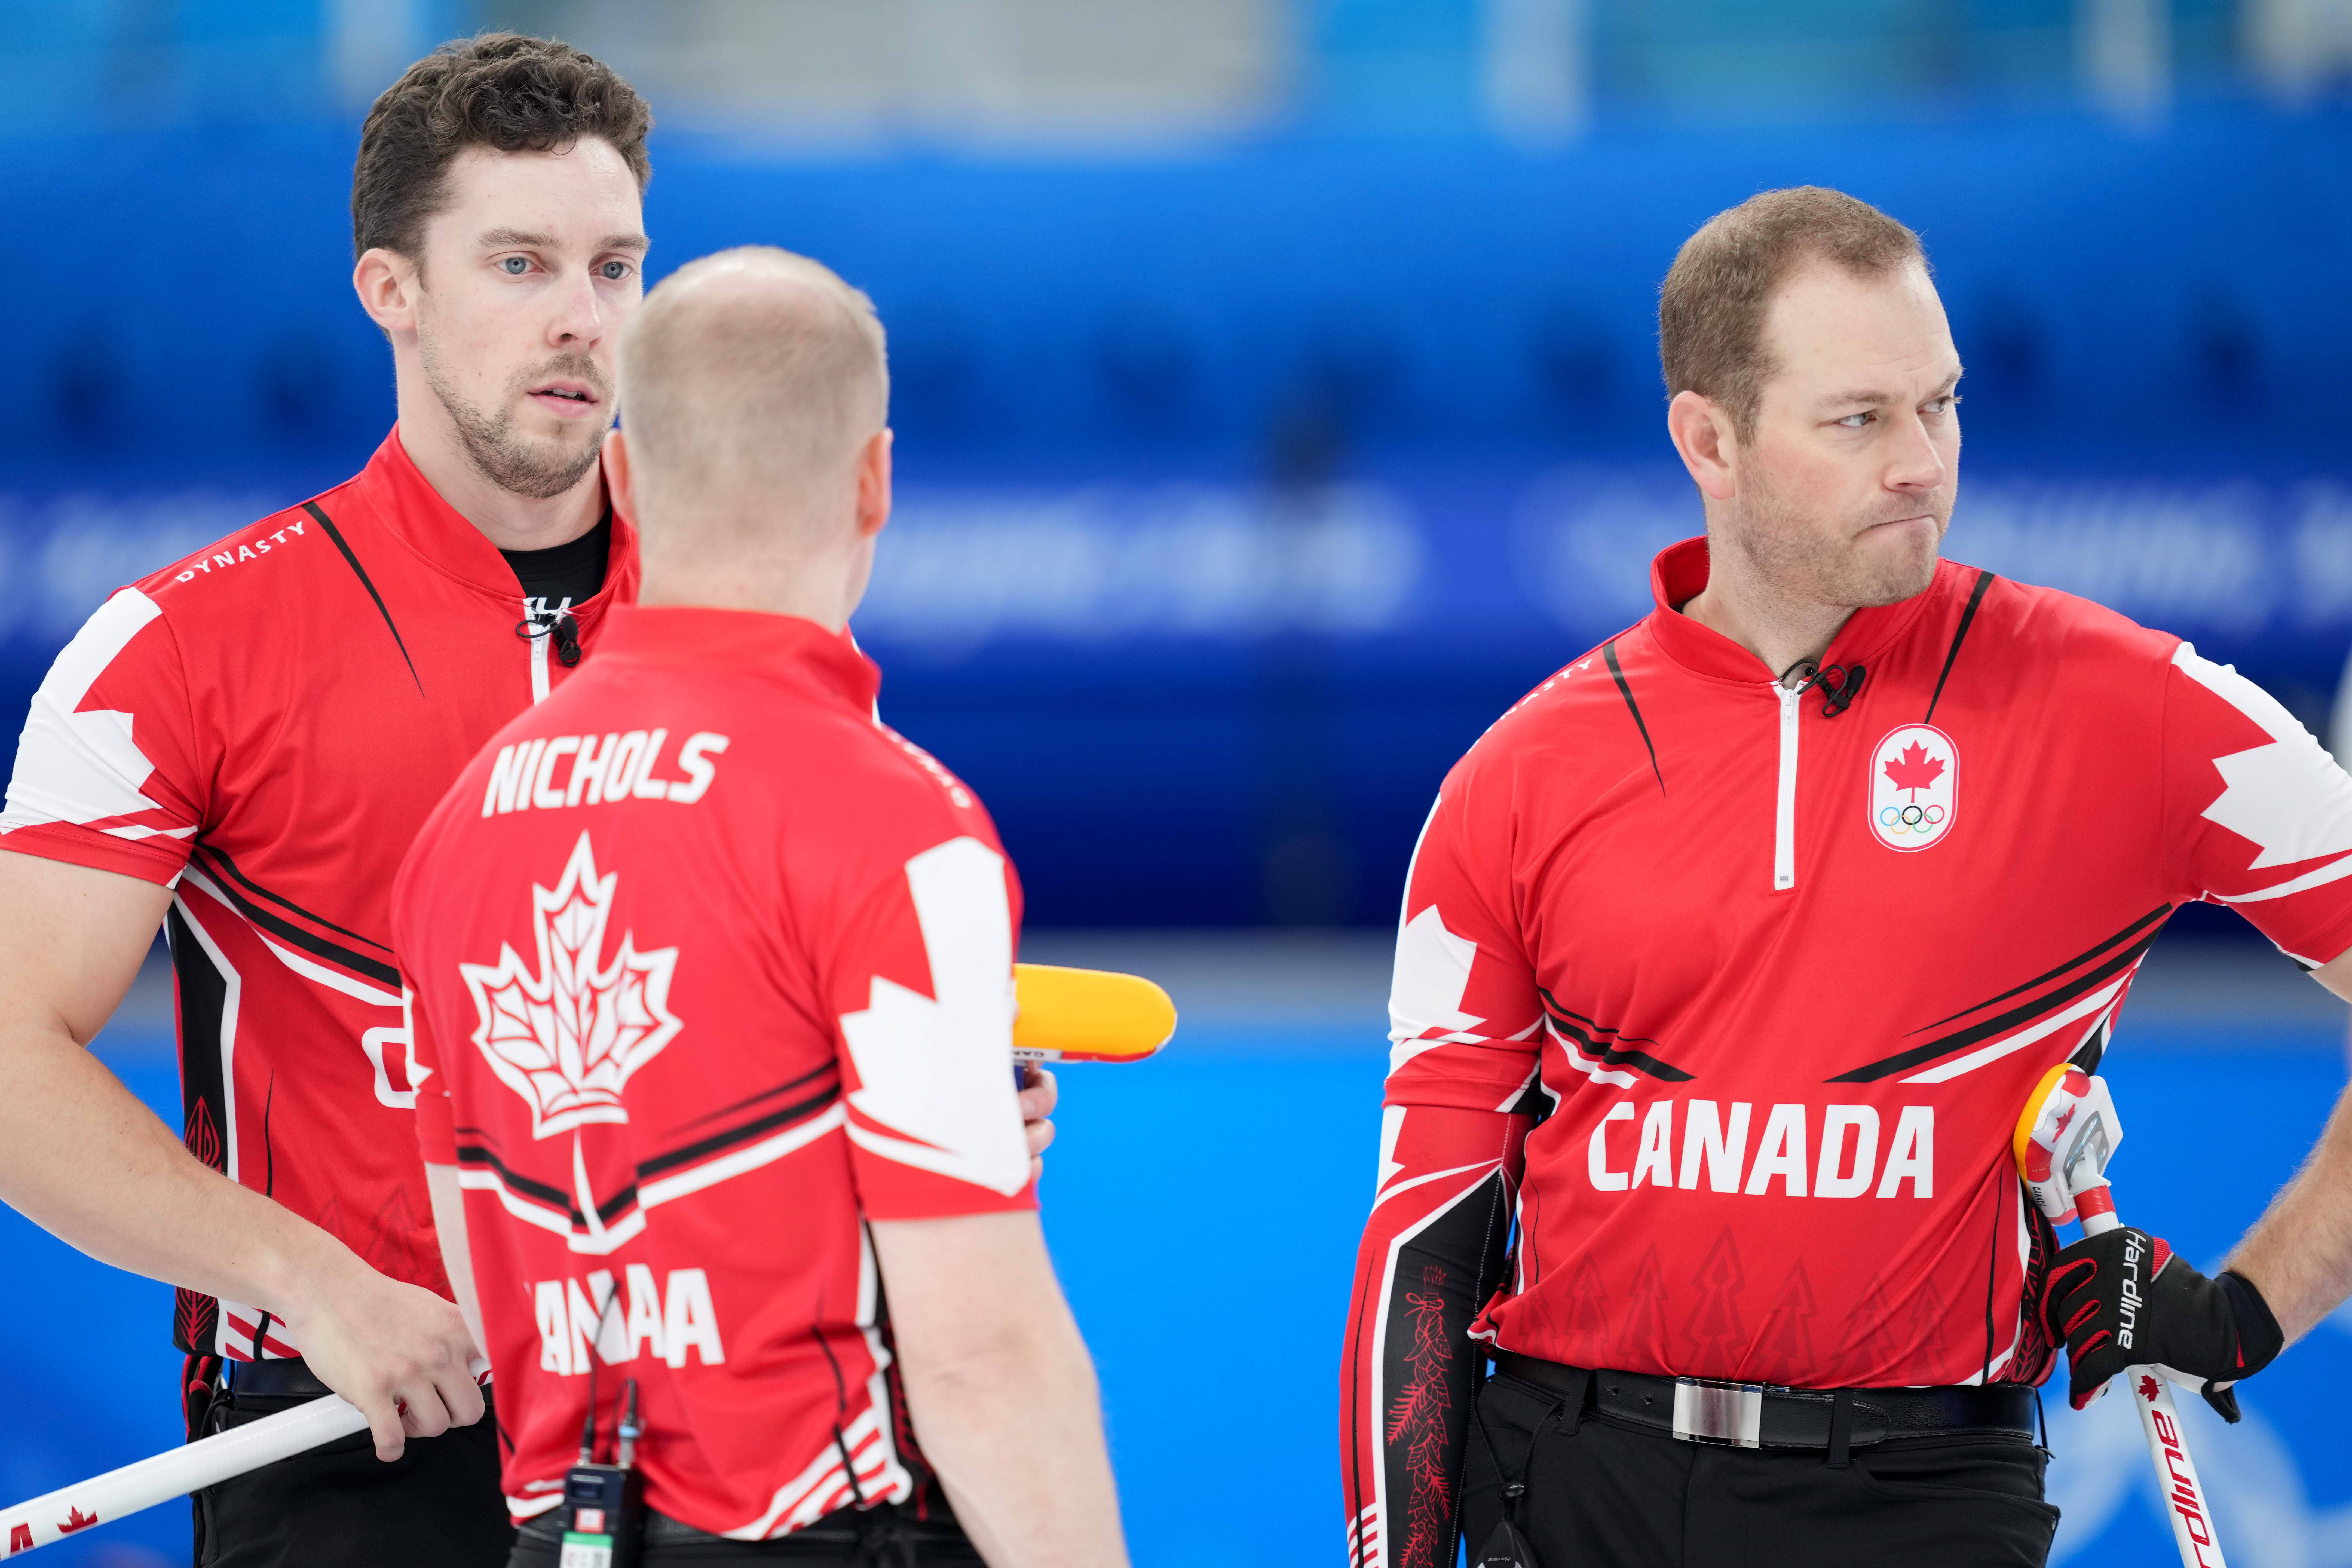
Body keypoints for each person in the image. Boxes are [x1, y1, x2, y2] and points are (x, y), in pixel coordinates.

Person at [0, 33, 1059, 1566]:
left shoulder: (762, 609)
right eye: (518, 263)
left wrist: (925, 1093)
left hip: (734, 1422)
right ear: (392, 290)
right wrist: (311, 1280)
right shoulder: (180, 648)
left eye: (616, 268)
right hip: (368, 1417)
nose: (581, 320)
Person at [1338, 185, 2352, 1568]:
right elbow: (1430, 1235)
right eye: (1860, 419)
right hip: (1572, 1490)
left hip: (1922, 1498)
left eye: (1941, 406)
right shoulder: (1520, 777)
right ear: (1710, 439)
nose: (1923, 463)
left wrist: (2254, 1306)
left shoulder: (2131, 707)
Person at [391, 246, 1128, 1567]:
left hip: (556, 1536)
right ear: (876, 482)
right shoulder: (896, 820)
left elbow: (485, 1251)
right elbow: (982, 1359)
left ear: (620, 479)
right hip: (823, 1530)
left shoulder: (464, 822)